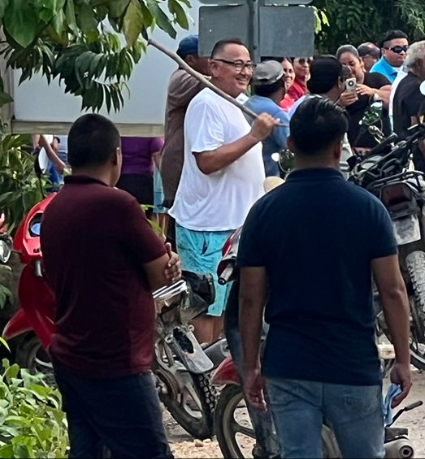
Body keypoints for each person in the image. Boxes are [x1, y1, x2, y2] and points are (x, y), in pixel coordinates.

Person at [238, 97, 413, 459]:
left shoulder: (264, 211)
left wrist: (252, 364)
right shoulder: (368, 209)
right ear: (339, 148)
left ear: (290, 145)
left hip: (289, 364)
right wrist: (402, 358)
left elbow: (251, 298)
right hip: (352, 363)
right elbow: (393, 291)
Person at [42, 113, 182, 459]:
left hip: (71, 353)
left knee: (88, 450)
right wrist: (169, 264)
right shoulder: (117, 204)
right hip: (116, 360)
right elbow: (160, 274)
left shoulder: (56, 207)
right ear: (116, 156)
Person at [172, 39, 276, 344]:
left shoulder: (238, 102)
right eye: (237, 65)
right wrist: (255, 136)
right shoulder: (206, 103)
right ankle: (202, 386)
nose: (244, 72)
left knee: (228, 311)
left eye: (248, 65)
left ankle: (217, 382)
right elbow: (207, 161)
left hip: (235, 228)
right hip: (208, 228)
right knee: (207, 313)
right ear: (214, 68)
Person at [161, 34, 209, 213]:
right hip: (179, 166)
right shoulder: (181, 78)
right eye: (208, 56)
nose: (213, 62)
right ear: (191, 59)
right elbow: (215, 84)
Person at [391, 41, 425, 177]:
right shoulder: (420, 88)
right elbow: (417, 127)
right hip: (419, 157)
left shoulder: (405, 83)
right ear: (419, 64)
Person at [337, 45, 388, 153]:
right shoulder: (336, 86)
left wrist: (373, 92)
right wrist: (340, 103)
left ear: (360, 62)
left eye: (352, 64)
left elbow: (393, 98)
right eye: (344, 65)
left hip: (378, 148)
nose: (349, 69)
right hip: (350, 149)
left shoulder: (376, 79)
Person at [247, 61, 292, 177]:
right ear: (283, 83)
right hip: (268, 179)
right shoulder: (276, 113)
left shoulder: (247, 104)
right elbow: (292, 147)